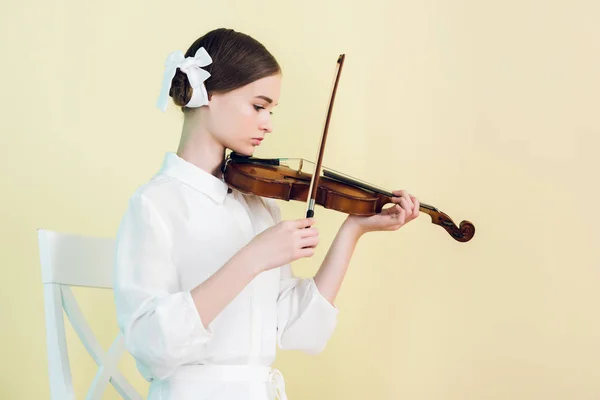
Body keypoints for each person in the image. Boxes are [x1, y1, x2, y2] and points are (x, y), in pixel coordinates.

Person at [114, 28, 420, 400]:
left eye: (271, 110)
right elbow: (150, 349)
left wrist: (353, 229)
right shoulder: (154, 204)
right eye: (259, 106)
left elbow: (298, 330)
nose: (268, 123)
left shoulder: (258, 205)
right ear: (207, 94)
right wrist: (254, 256)